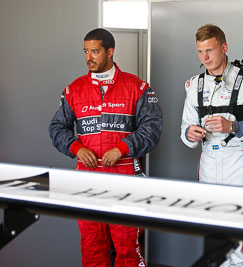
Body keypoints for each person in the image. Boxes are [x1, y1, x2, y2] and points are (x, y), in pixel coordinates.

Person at [49, 28, 162, 267]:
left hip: (125, 177)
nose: (89, 57)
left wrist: (123, 147)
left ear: (110, 52)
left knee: (128, 250)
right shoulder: (74, 89)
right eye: (86, 51)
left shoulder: (137, 87)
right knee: (92, 249)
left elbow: (152, 129)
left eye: (95, 51)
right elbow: (57, 128)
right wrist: (76, 148)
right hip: (87, 179)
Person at [180, 24, 243, 267]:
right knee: (214, 240)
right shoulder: (194, 85)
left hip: (238, 162)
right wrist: (190, 134)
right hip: (207, 163)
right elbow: (185, 129)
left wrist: (233, 127)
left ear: (224, 48)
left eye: (210, 50)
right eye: (200, 52)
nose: (205, 57)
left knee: (239, 242)